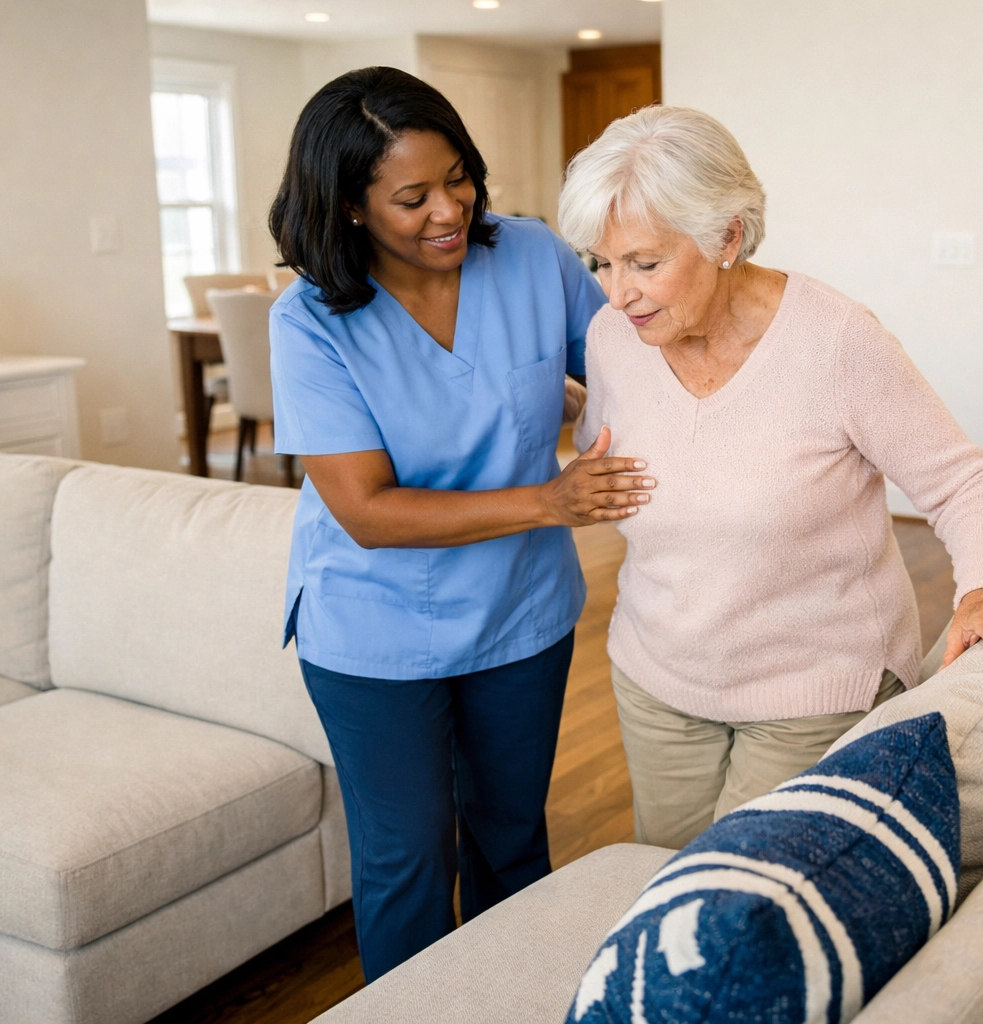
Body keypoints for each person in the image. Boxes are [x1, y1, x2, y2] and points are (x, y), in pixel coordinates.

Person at [559, 106, 983, 850]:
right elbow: (612, 446)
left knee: (751, 901)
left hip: (814, 689)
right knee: (660, 882)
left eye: (644, 263)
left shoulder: (834, 341)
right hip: (655, 677)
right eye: (600, 263)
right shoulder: (614, 339)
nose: (617, 293)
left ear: (727, 236)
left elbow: (962, 483)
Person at [266, 67, 652, 980]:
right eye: (411, 197)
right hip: (374, 631)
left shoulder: (529, 256)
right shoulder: (309, 320)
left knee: (513, 842)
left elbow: (633, 372)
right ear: (350, 206)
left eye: (457, 179)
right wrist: (550, 501)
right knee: (407, 864)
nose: (447, 209)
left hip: (521, 610)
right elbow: (364, 510)